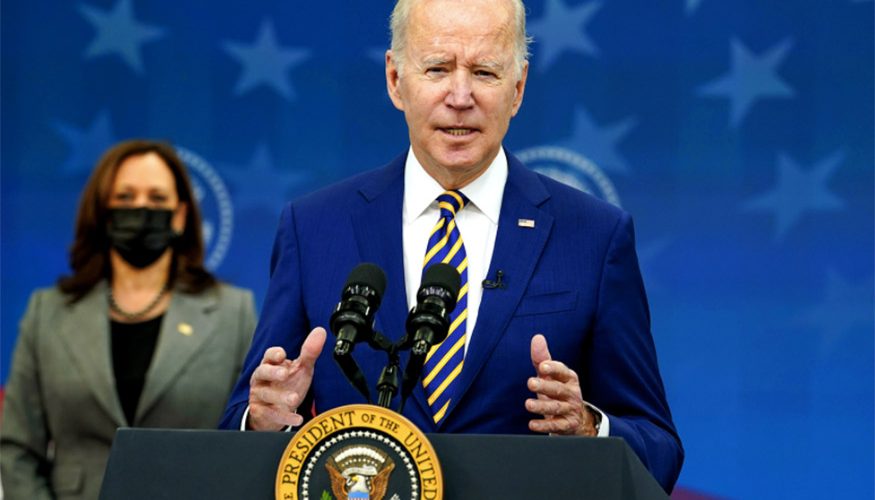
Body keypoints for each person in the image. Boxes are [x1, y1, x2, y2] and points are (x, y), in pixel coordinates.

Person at [219, 0, 683, 492]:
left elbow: (658, 449)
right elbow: (234, 435)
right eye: (437, 68)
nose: (460, 96)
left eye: (484, 72)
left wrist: (591, 429)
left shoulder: (592, 235)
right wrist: (262, 419)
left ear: (518, 88)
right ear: (396, 80)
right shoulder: (314, 228)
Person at [1, 140, 257, 500]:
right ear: (103, 212)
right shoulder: (47, 311)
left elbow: (247, 447)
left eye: (156, 199)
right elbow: (17, 450)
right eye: (125, 198)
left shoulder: (234, 312)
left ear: (181, 215)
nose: (140, 209)